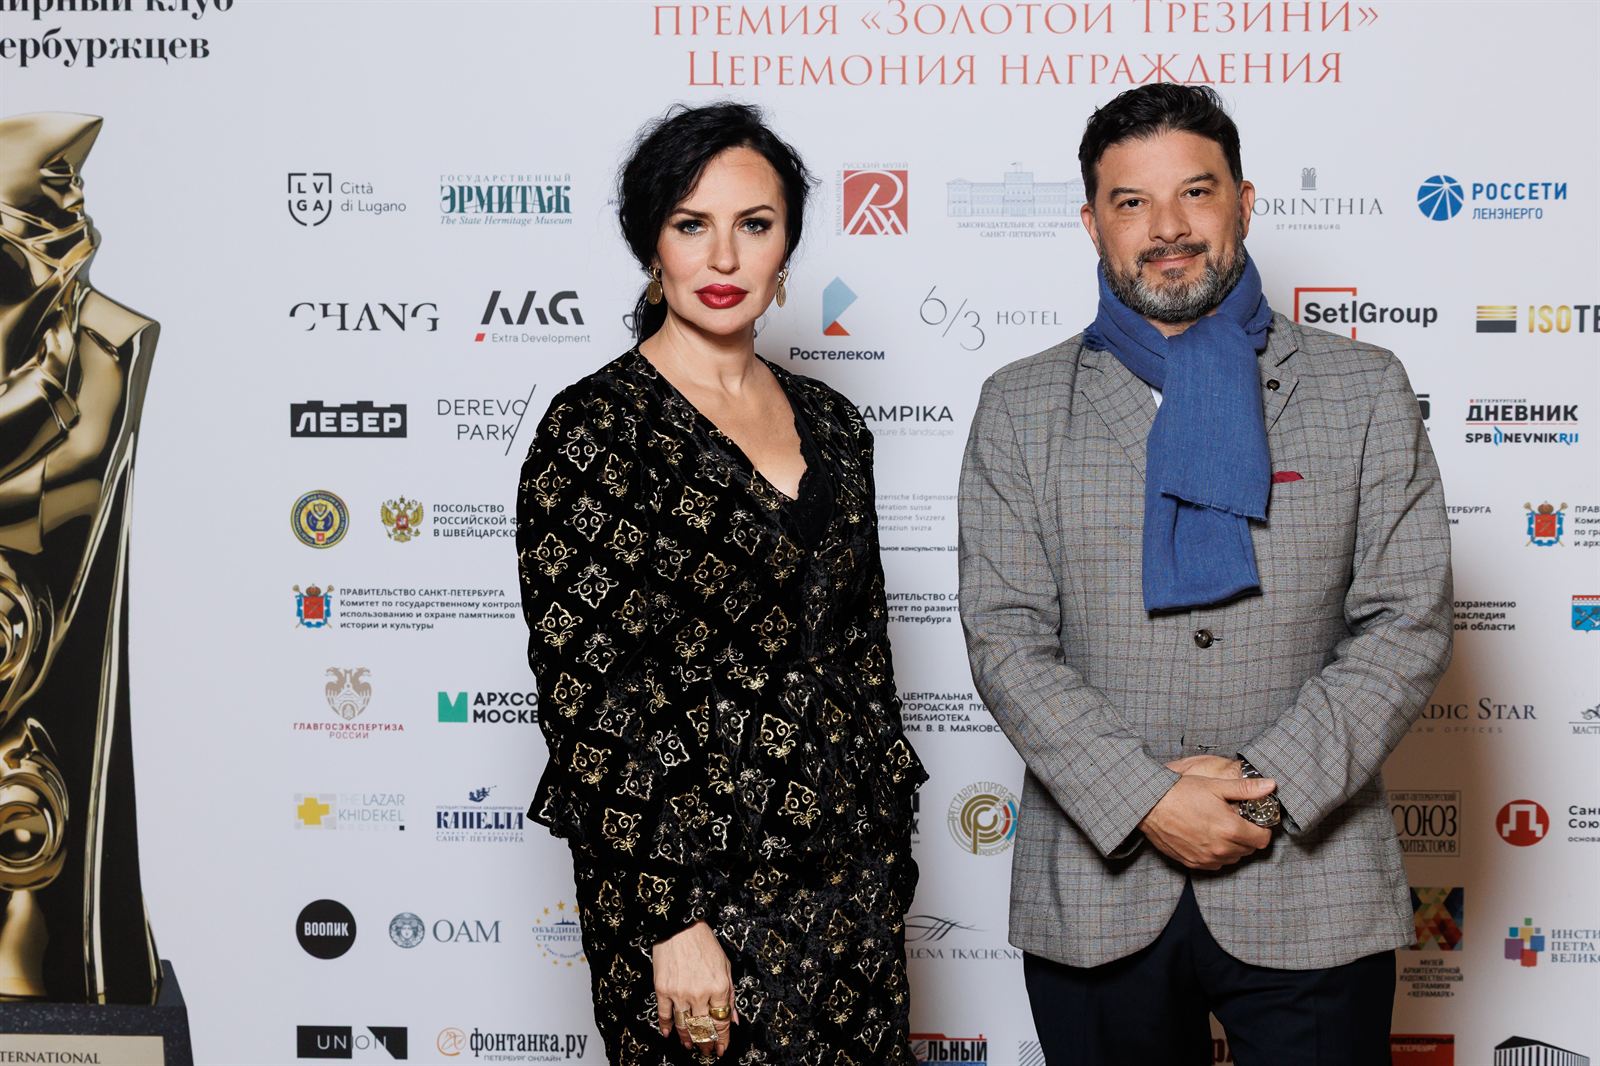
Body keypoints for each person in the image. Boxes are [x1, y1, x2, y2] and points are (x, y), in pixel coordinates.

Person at [957, 83, 1452, 1066]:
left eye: (1195, 192)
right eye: (1132, 202)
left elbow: (1407, 622)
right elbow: (1006, 638)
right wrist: (1146, 798)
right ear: (1092, 223)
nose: (1168, 228)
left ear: (1244, 202)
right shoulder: (1018, 405)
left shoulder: (1364, 389)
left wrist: (1264, 794)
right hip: (1096, 888)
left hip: (1312, 883)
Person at [515, 102, 925, 1065]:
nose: (726, 257)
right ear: (651, 244)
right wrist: (670, 918)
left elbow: (862, 647)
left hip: (850, 877)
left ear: (787, 245)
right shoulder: (596, 429)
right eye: (692, 225)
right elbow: (590, 697)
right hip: (697, 885)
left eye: (755, 224)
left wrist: (891, 841)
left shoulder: (833, 421)